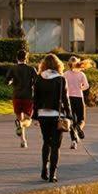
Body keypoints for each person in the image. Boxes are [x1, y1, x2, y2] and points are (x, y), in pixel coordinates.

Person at [33, 54, 72, 183]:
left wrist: (35, 116)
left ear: (43, 65)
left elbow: (36, 99)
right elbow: (65, 100)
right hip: (57, 116)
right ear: (58, 65)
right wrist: (70, 115)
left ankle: (44, 168)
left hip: (43, 115)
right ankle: (52, 174)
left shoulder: (39, 79)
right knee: (56, 146)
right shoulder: (60, 80)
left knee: (46, 142)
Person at [6, 49, 37, 148]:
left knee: (19, 118)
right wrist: (31, 85)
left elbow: (7, 81)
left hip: (17, 96)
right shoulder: (31, 69)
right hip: (28, 96)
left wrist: (11, 81)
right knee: (28, 119)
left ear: (17, 58)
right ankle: (21, 125)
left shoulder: (13, 68)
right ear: (26, 58)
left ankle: (23, 140)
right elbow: (37, 81)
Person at [64, 57, 90, 150]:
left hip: (69, 99)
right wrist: (80, 88)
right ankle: (79, 127)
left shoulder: (65, 74)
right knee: (81, 119)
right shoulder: (81, 74)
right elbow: (87, 86)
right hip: (79, 98)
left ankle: (73, 141)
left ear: (69, 64)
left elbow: (63, 86)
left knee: (72, 121)